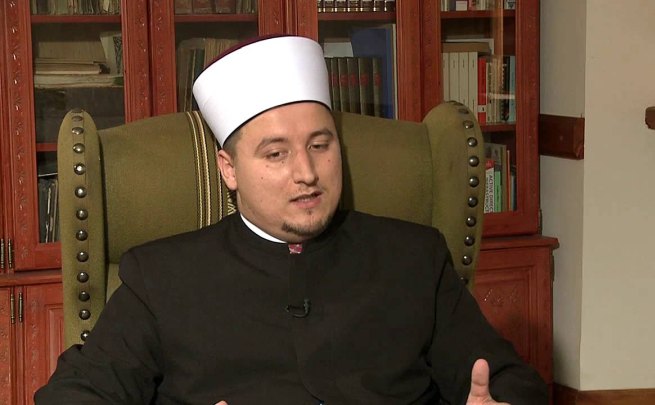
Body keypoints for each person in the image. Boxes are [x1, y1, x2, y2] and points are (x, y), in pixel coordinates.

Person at [35, 35, 547, 404]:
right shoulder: (160, 276)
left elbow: (507, 378)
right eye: (276, 154)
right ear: (228, 169)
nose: (307, 173)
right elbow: (73, 396)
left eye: (320, 145)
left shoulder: (414, 257)